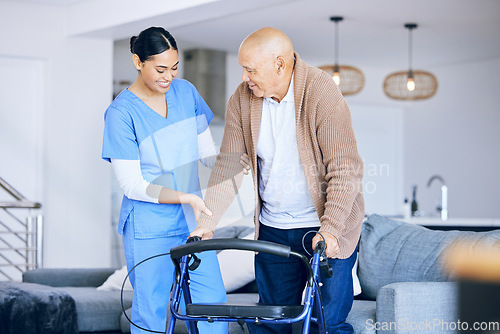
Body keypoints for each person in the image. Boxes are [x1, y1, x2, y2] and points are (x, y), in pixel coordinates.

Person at [190, 27, 365, 333]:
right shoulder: (242, 99)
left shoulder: (321, 91)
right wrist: (207, 222)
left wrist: (332, 230)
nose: (245, 77)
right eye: (243, 69)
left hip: (326, 228)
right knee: (270, 323)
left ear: (280, 64)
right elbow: (229, 165)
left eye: (251, 69)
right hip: (273, 229)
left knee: (326, 324)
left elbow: (345, 168)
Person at [102, 27, 249, 333]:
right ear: (137, 62)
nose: (167, 77)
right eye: (159, 69)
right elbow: (132, 184)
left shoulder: (185, 93)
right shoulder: (120, 113)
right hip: (149, 225)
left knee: (212, 305)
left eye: (173, 68)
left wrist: (238, 159)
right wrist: (186, 196)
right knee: (152, 310)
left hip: (194, 223)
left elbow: (206, 154)